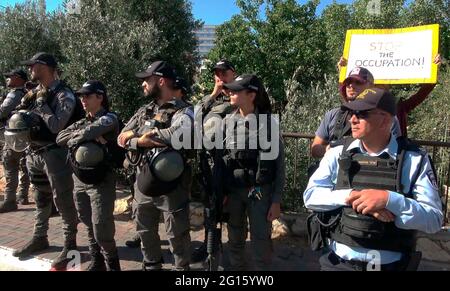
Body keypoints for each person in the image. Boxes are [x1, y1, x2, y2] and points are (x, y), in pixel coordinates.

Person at [304, 88, 443, 271]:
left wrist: (389, 200)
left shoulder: (414, 159)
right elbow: (311, 196)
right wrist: (353, 196)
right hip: (338, 263)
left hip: (388, 265)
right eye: (352, 112)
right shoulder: (337, 153)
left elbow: (433, 219)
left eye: (361, 114)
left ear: (385, 120)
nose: (352, 119)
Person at [117, 60, 193, 271]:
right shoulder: (144, 111)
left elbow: (178, 134)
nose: (143, 84)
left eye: (146, 80)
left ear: (160, 81)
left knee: (176, 234)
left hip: (172, 185)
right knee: (144, 230)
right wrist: (139, 140)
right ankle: (151, 266)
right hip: (144, 179)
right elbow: (121, 137)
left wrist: (138, 136)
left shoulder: (184, 111)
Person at [11, 52, 82, 271]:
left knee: (62, 200)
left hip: (56, 153)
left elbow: (57, 126)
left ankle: (71, 245)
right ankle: (40, 237)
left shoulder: (64, 95)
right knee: (40, 197)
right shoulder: (35, 93)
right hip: (34, 152)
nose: (30, 68)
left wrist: (41, 105)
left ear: (46, 66)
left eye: (34, 65)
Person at [220, 74, 285, 270]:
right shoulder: (227, 122)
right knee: (235, 237)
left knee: (260, 238)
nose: (231, 93)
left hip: (257, 191)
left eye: (237, 90)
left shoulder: (268, 125)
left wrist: (276, 200)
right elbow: (220, 160)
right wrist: (221, 192)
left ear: (251, 95)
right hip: (233, 192)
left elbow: (279, 165)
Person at [56, 80, 121, 271]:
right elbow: (60, 138)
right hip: (79, 179)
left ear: (100, 97)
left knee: (101, 226)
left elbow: (96, 129)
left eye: (87, 95)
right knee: (86, 221)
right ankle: (97, 262)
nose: (82, 100)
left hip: (101, 180)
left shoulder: (110, 118)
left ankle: (113, 264)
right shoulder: (82, 122)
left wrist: (79, 136)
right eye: (81, 96)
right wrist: (83, 134)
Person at [191, 59, 237, 264]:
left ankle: (233, 250)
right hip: (209, 163)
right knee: (210, 206)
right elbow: (193, 118)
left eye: (224, 73)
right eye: (217, 74)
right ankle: (209, 246)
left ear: (233, 74)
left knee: (230, 208)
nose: (220, 77)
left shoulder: (239, 97)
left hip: (231, 162)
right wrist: (213, 94)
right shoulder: (210, 101)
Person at [311, 67, 401, 159]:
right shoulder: (332, 114)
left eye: (358, 82)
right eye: (348, 83)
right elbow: (315, 149)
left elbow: (396, 151)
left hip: (372, 169)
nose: (351, 86)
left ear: (371, 86)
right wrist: (331, 150)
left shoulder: (385, 118)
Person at [0, 68, 30, 213]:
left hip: (13, 136)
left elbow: (2, 112)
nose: (7, 80)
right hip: (26, 137)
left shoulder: (14, 95)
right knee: (25, 166)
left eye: (10, 77)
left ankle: (9, 200)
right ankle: (23, 195)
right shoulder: (29, 93)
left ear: (18, 79)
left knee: (10, 165)